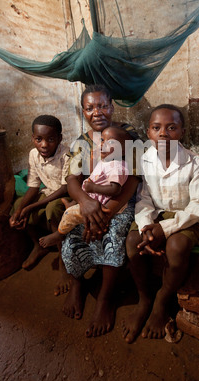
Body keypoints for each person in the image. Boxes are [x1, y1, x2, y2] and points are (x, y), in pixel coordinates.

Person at [122, 104, 199, 343]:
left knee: (176, 247)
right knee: (132, 241)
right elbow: (144, 199)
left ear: (181, 131)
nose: (163, 133)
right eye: (156, 128)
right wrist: (146, 227)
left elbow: (198, 205)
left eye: (171, 127)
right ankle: (144, 298)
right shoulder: (145, 160)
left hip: (186, 216)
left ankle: (162, 300)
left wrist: (166, 229)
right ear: (149, 133)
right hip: (157, 213)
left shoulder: (195, 162)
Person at [61, 84, 141, 337]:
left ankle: (105, 299)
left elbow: (135, 178)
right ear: (83, 112)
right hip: (91, 198)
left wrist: (106, 213)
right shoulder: (80, 142)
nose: (97, 112)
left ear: (112, 106)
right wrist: (85, 203)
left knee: (115, 235)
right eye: (90, 107)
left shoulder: (128, 134)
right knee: (72, 232)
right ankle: (77, 282)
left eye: (103, 105)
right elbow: (72, 179)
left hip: (118, 203)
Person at [39, 125, 131, 248]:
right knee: (73, 204)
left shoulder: (118, 167)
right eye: (102, 140)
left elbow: (115, 189)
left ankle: (60, 234)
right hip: (91, 196)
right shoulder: (104, 160)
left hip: (100, 203)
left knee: (69, 215)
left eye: (111, 142)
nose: (103, 144)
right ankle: (72, 206)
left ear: (123, 150)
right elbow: (87, 175)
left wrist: (93, 188)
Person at [9, 114, 71, 296]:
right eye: (39, 139)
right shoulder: (34, 154)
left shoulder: (67, 155)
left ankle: (63, 261)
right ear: (33, 139)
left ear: (59, 138)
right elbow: (34, 187)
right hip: (46, 194)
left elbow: (65, 188)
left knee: (52, 210)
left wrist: (32, 208)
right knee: (18, 205)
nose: (44, 144)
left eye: (50, 139)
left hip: (64, 196)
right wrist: (21, 210)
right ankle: (38, 245)